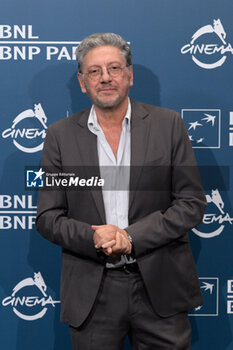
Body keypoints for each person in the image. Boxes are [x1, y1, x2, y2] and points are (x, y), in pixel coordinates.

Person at [36, 33, 206, 350]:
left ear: (129, 75)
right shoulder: (59, 136)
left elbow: (191, 204)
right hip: (92, 292)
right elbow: (48, 218)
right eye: (94, 71)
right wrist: (92, 237)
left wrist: (132, 238)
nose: (105, 78)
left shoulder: (169, 125)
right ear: (82, 82)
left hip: (160, 288)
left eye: (114, 68)